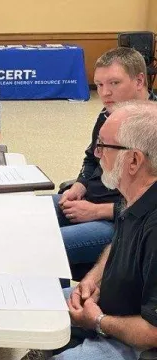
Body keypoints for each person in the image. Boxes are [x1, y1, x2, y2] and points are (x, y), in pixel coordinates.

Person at [50, 100, 157, 360]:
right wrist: (91, 281)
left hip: (137, 341)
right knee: (37, 305)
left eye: (104, 147)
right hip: (109, 308)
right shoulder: (131, 195)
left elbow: (153, 330)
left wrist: (97, 320)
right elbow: (116, 245)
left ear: (133, 160)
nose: (97, 155)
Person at [52, 47, 157, 274]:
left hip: (119, 220)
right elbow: (92, 156)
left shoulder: (152, 126)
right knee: (29, 213)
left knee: (46, 245)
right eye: (99, 85)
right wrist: (80, 184)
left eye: (114, 83)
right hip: (89, 198)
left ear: (139, 80)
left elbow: (150, 205)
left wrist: (96, 211)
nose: (104, 93)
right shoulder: (108, 113)